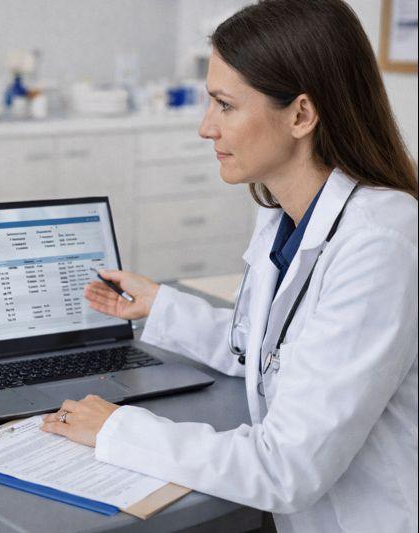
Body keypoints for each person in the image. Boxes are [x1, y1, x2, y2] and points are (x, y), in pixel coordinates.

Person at [41, 1, 418, 531]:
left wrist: (118, 429)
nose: (205, 128)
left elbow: (288, 468)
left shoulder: (379, 244)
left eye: (224, 105)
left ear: (301, 115)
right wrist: (161, 305)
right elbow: (275, 352)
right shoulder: (283, 217)